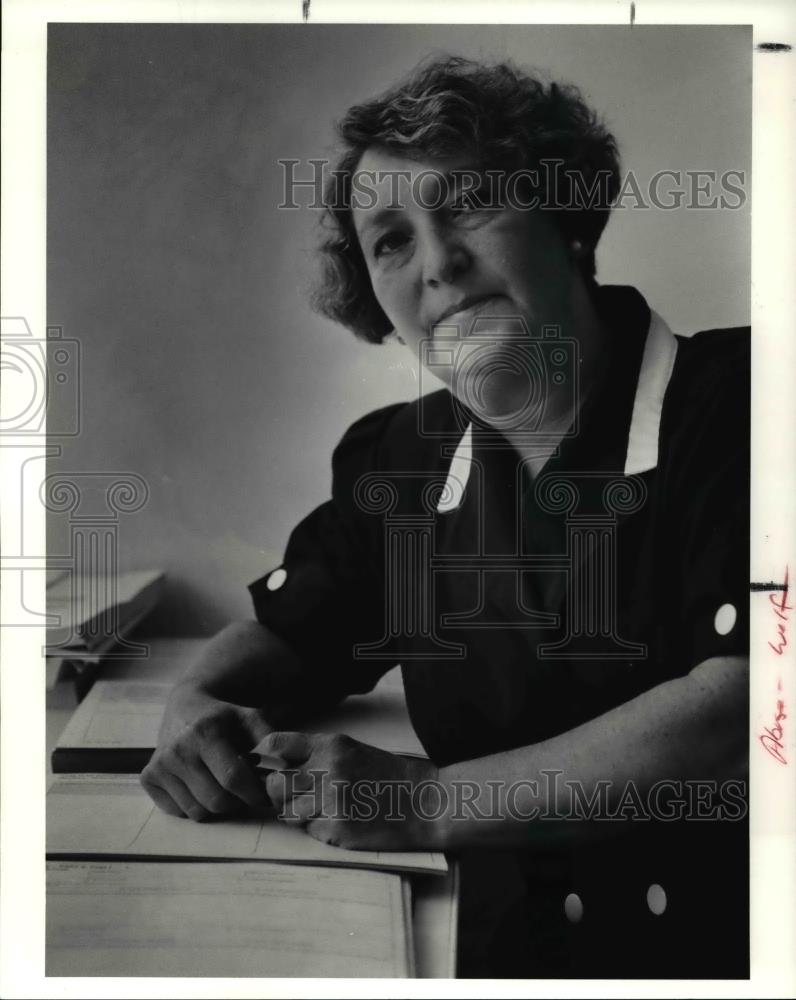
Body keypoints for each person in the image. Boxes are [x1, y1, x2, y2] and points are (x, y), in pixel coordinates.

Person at [141, 56, 749, 978]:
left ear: (566, 216)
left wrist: (430, 802)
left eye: (468, 203)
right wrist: (193, 705)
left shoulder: (745, 402)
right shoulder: (407, 460)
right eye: (390, 241)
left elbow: (743, 710)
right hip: (487, 942)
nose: (439, 263)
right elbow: (293, 630)